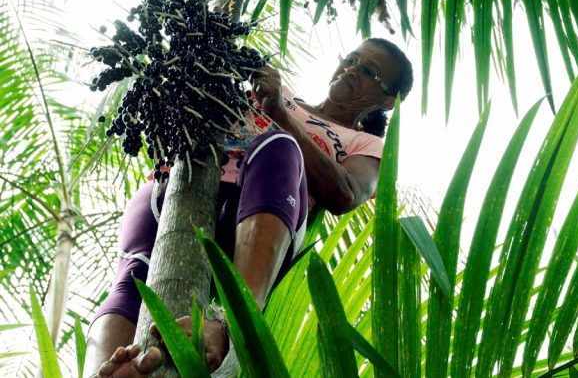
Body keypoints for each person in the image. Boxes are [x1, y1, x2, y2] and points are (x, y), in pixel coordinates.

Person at [84, 37, 414, 377]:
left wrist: (279, 114)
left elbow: (345, 194)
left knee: (280, 145)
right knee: (133, 275)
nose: (351, 70)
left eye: (369, 71)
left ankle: (231, 322)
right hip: (186, 186)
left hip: (261, 213)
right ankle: (110, 369)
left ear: (387, 100)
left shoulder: (367, 144)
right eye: (351, 59)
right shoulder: (280, 92)